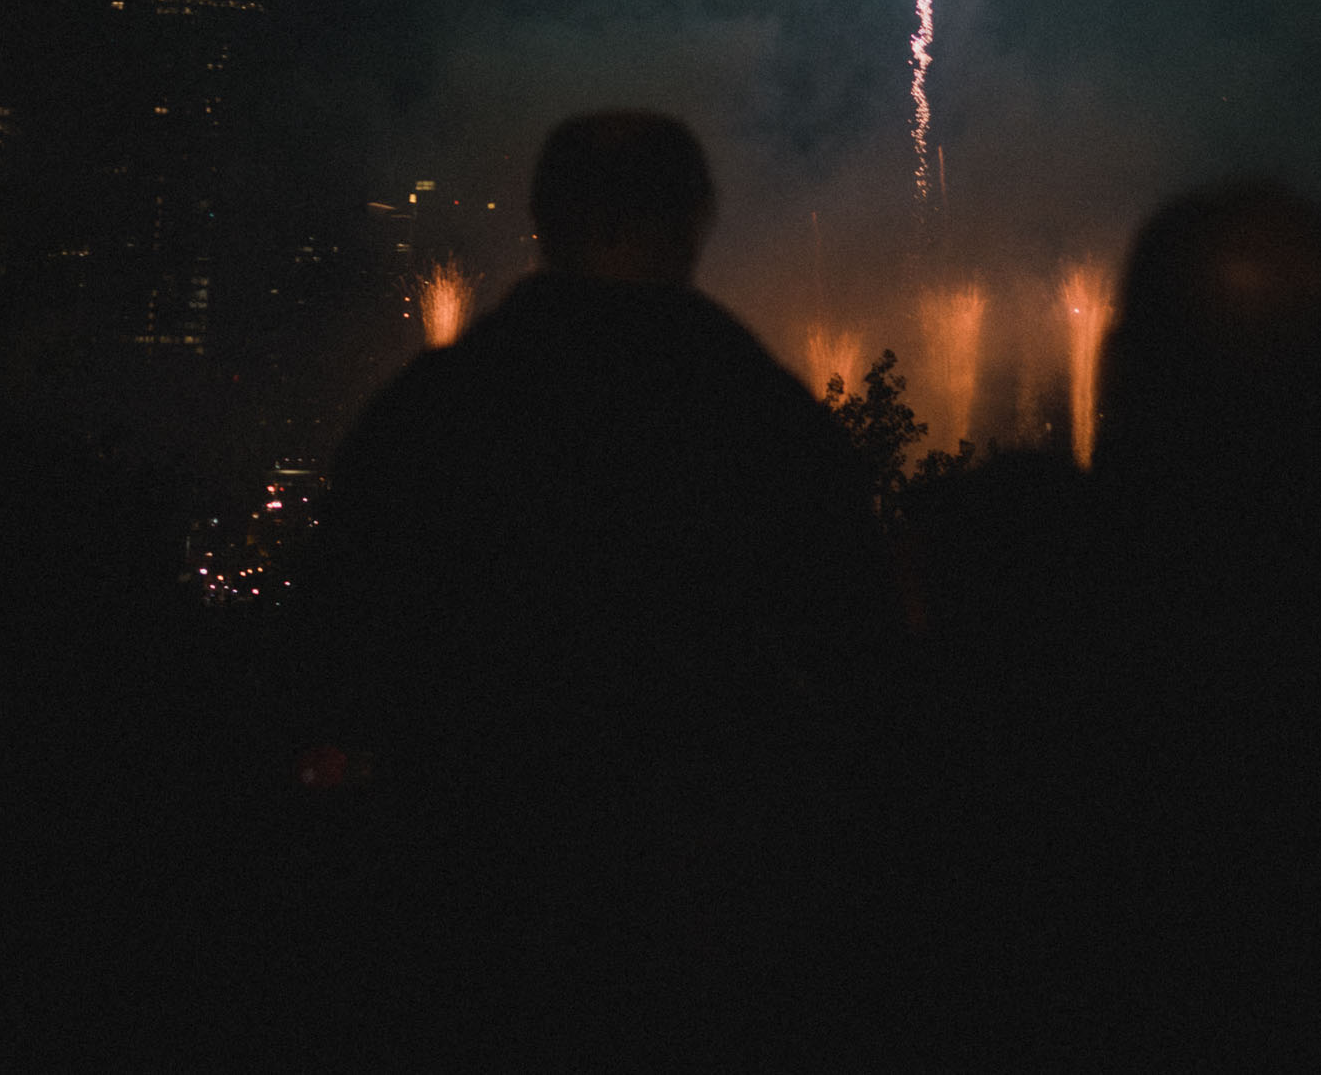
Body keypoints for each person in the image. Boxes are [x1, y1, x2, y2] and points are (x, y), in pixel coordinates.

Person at [288, 112, 897, 1072]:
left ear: (541, 217)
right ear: (700, 218)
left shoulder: (431, 415)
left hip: (462, 905)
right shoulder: (768, 425)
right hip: (708, 919)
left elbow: (329, 648)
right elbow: (864, 673)